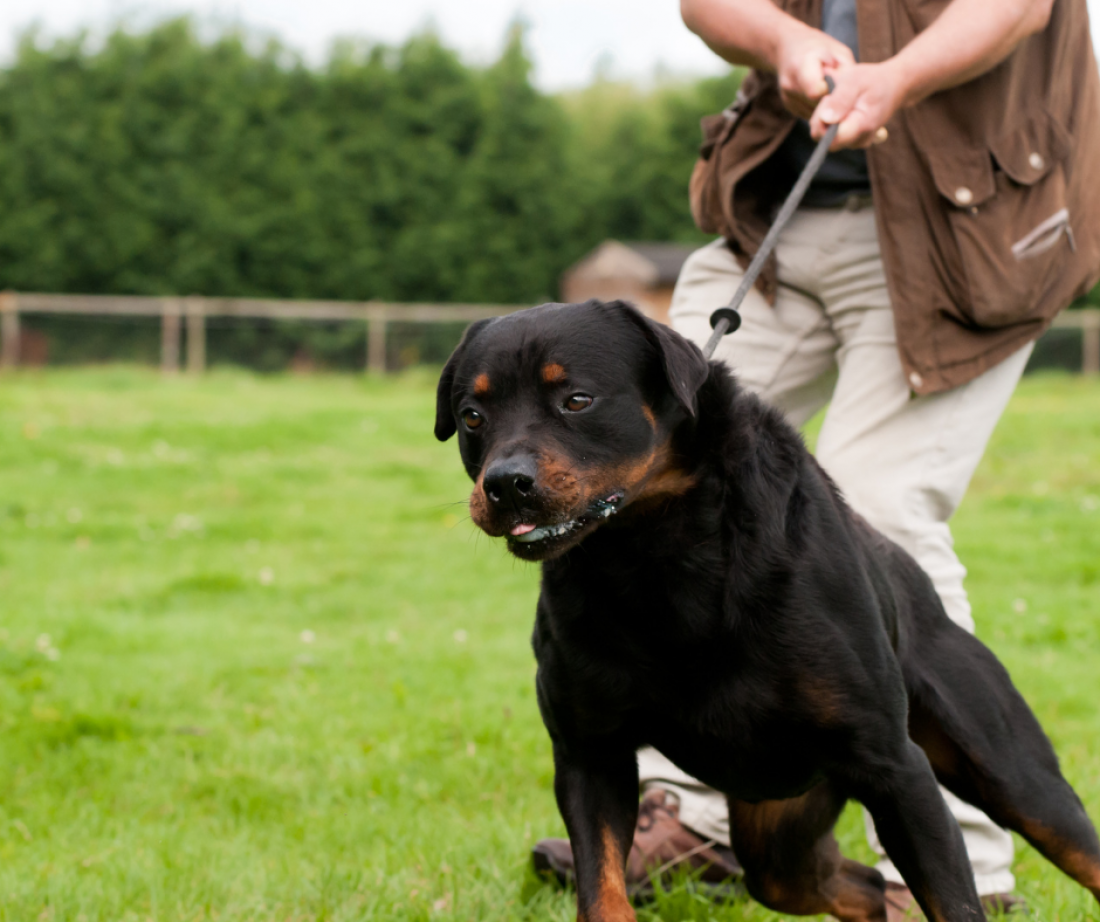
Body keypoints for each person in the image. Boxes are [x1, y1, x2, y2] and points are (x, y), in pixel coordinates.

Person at [532, 0, 1100, 917]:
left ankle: (963, 877)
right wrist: (784, 40)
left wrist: (898, 75)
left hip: (966, 220)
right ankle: (724, 829)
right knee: (632, 486)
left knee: (881, 508)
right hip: (775, 217)